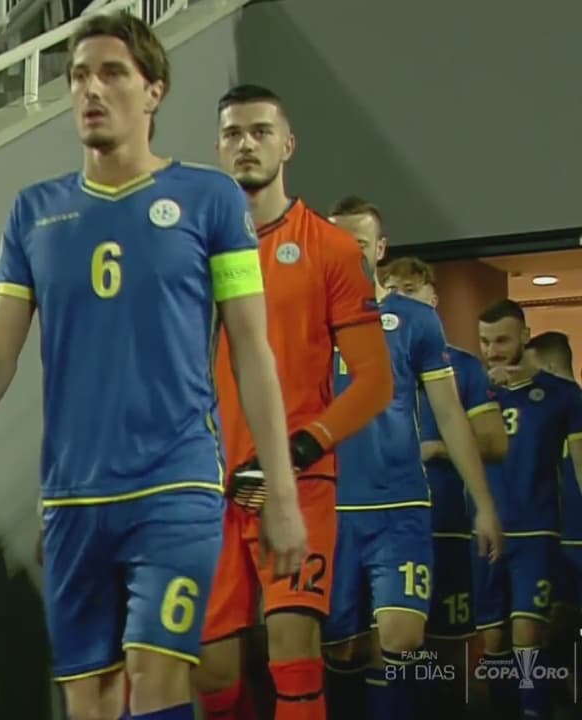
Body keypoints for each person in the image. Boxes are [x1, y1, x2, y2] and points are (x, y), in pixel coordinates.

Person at [0, 15, 306, 720]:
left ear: (154, 91)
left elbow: (252, 349)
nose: (91, 89)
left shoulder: (210, 200)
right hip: (73, 496)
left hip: (175, 483)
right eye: (79, 77)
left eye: (112, 73)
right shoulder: (35, 212)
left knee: (156, 679)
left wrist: (281, 491)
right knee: (89, 699)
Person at [195, 85, 393, 720]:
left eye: (260, 131)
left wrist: (300, 450)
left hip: (296, 481)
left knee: (294, 658)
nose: (246, 144)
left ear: (288, 145)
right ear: (218, 147)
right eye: (233, 133)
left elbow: (375, 382)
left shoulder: (330, 249)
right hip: (208, 486)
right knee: (213, 675)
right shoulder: (194, 249)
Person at [379, 257, 508, 716]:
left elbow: (495, 441)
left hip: (446, 523)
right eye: (391, 288)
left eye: (410, 289)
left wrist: (436, 448)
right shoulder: (366, 358)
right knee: (389, 647)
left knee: (449, 649)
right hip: (387, 524)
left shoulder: (463, 367)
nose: (399, 298)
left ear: (432, 299)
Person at [476, 304, 582, 719]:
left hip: (537, 530)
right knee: (493, 640)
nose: (493, 351)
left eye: (502, 340)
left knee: (527, 634)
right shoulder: (475, 392)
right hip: (485, 532)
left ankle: (534, 711)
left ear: (524, 336)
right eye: (485, 342)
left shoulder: (563, 396)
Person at [523, 330, 582, 714]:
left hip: (566, 541)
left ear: (545, 366)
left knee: (547, 629)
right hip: (558, 540)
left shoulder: (564, 408)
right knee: (552, 631)